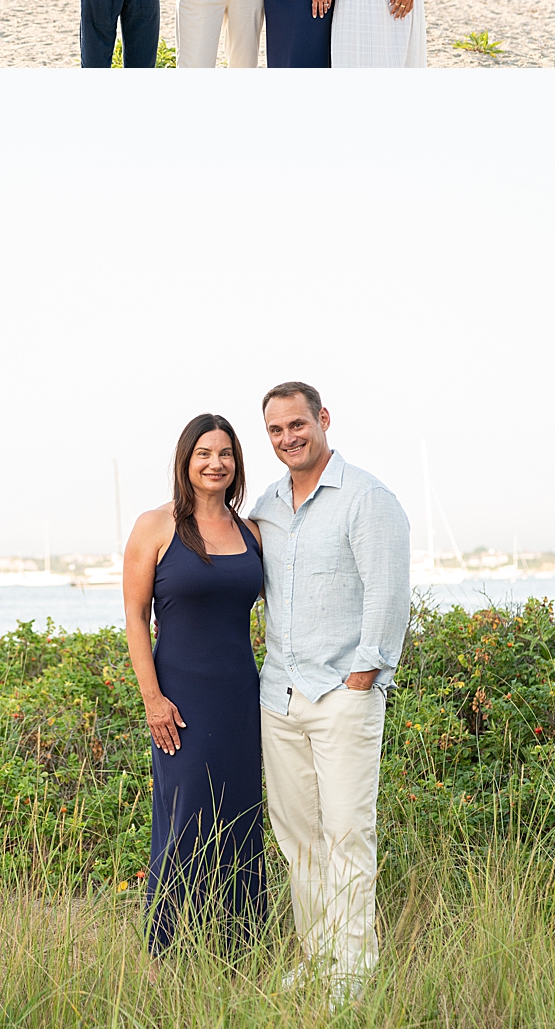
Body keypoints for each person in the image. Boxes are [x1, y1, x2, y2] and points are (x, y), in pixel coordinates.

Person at [251, 383, 410, 994]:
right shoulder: (267, 505)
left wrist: (363, 677)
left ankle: (354, 970)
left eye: (297, 424)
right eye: (276, 430)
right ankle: (319, 957)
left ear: (322, 419)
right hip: (279, 698)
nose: (288, 438)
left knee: (347, 833)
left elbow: (388, 594)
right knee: (298, 838)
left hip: (343, 696)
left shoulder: (367, 498)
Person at [123, 415, 267, 951]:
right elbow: (135, 617)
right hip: (180, 703)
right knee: (185, 822)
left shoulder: (251, 532)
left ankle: (239, 948)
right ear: (186, 460)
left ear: (237, 463)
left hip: (242, 699)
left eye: (225, 453)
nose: (215, 463)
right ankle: (164, 951)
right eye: (204, 453)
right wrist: (153, 699)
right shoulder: (156, 526)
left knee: (240, 818)